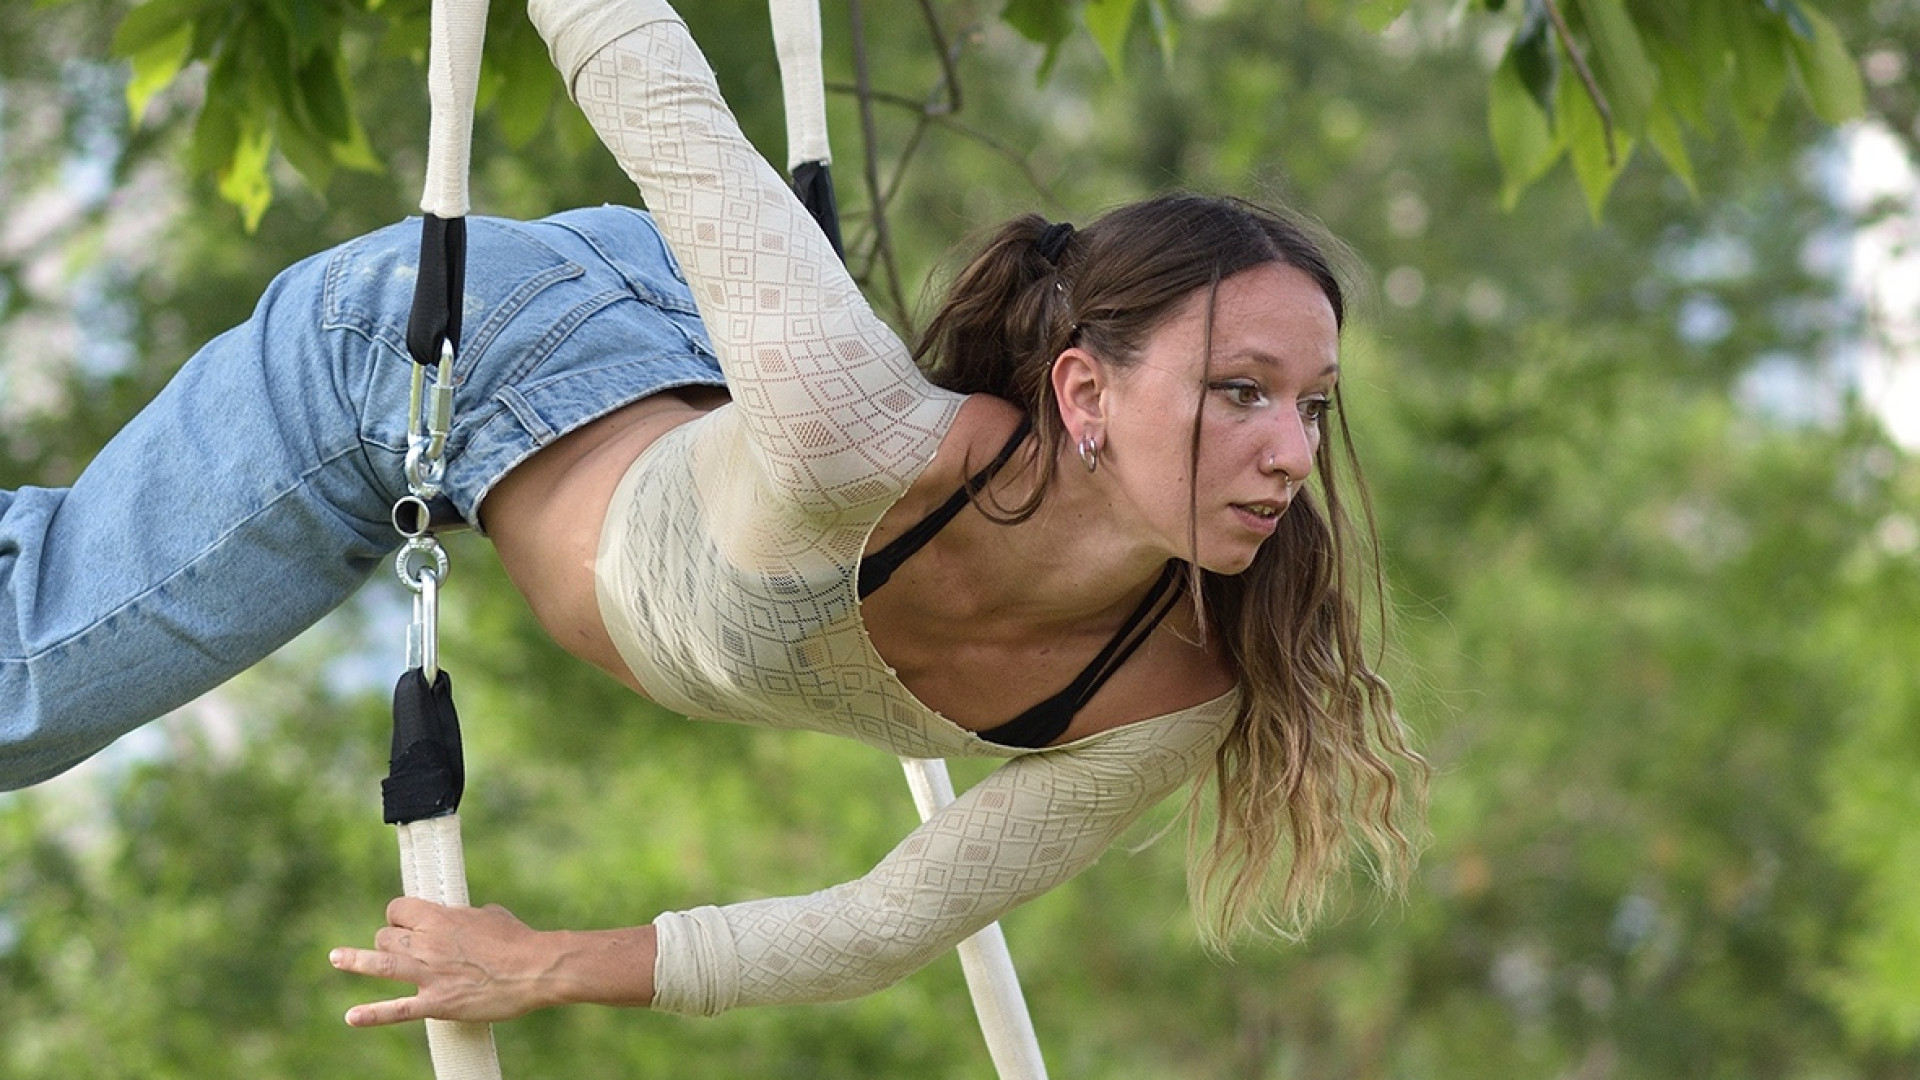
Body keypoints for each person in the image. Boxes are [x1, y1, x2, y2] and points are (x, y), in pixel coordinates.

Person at [0, 0, 1424, 1024]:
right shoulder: (860, 434)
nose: (1290, 450)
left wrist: (546, 960)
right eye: (1241, 391)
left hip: (670, 348)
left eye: (1311, 406)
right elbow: (655, 96)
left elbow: (882, 923)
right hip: (443, 359)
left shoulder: (1172, 691)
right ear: (1085, 392)